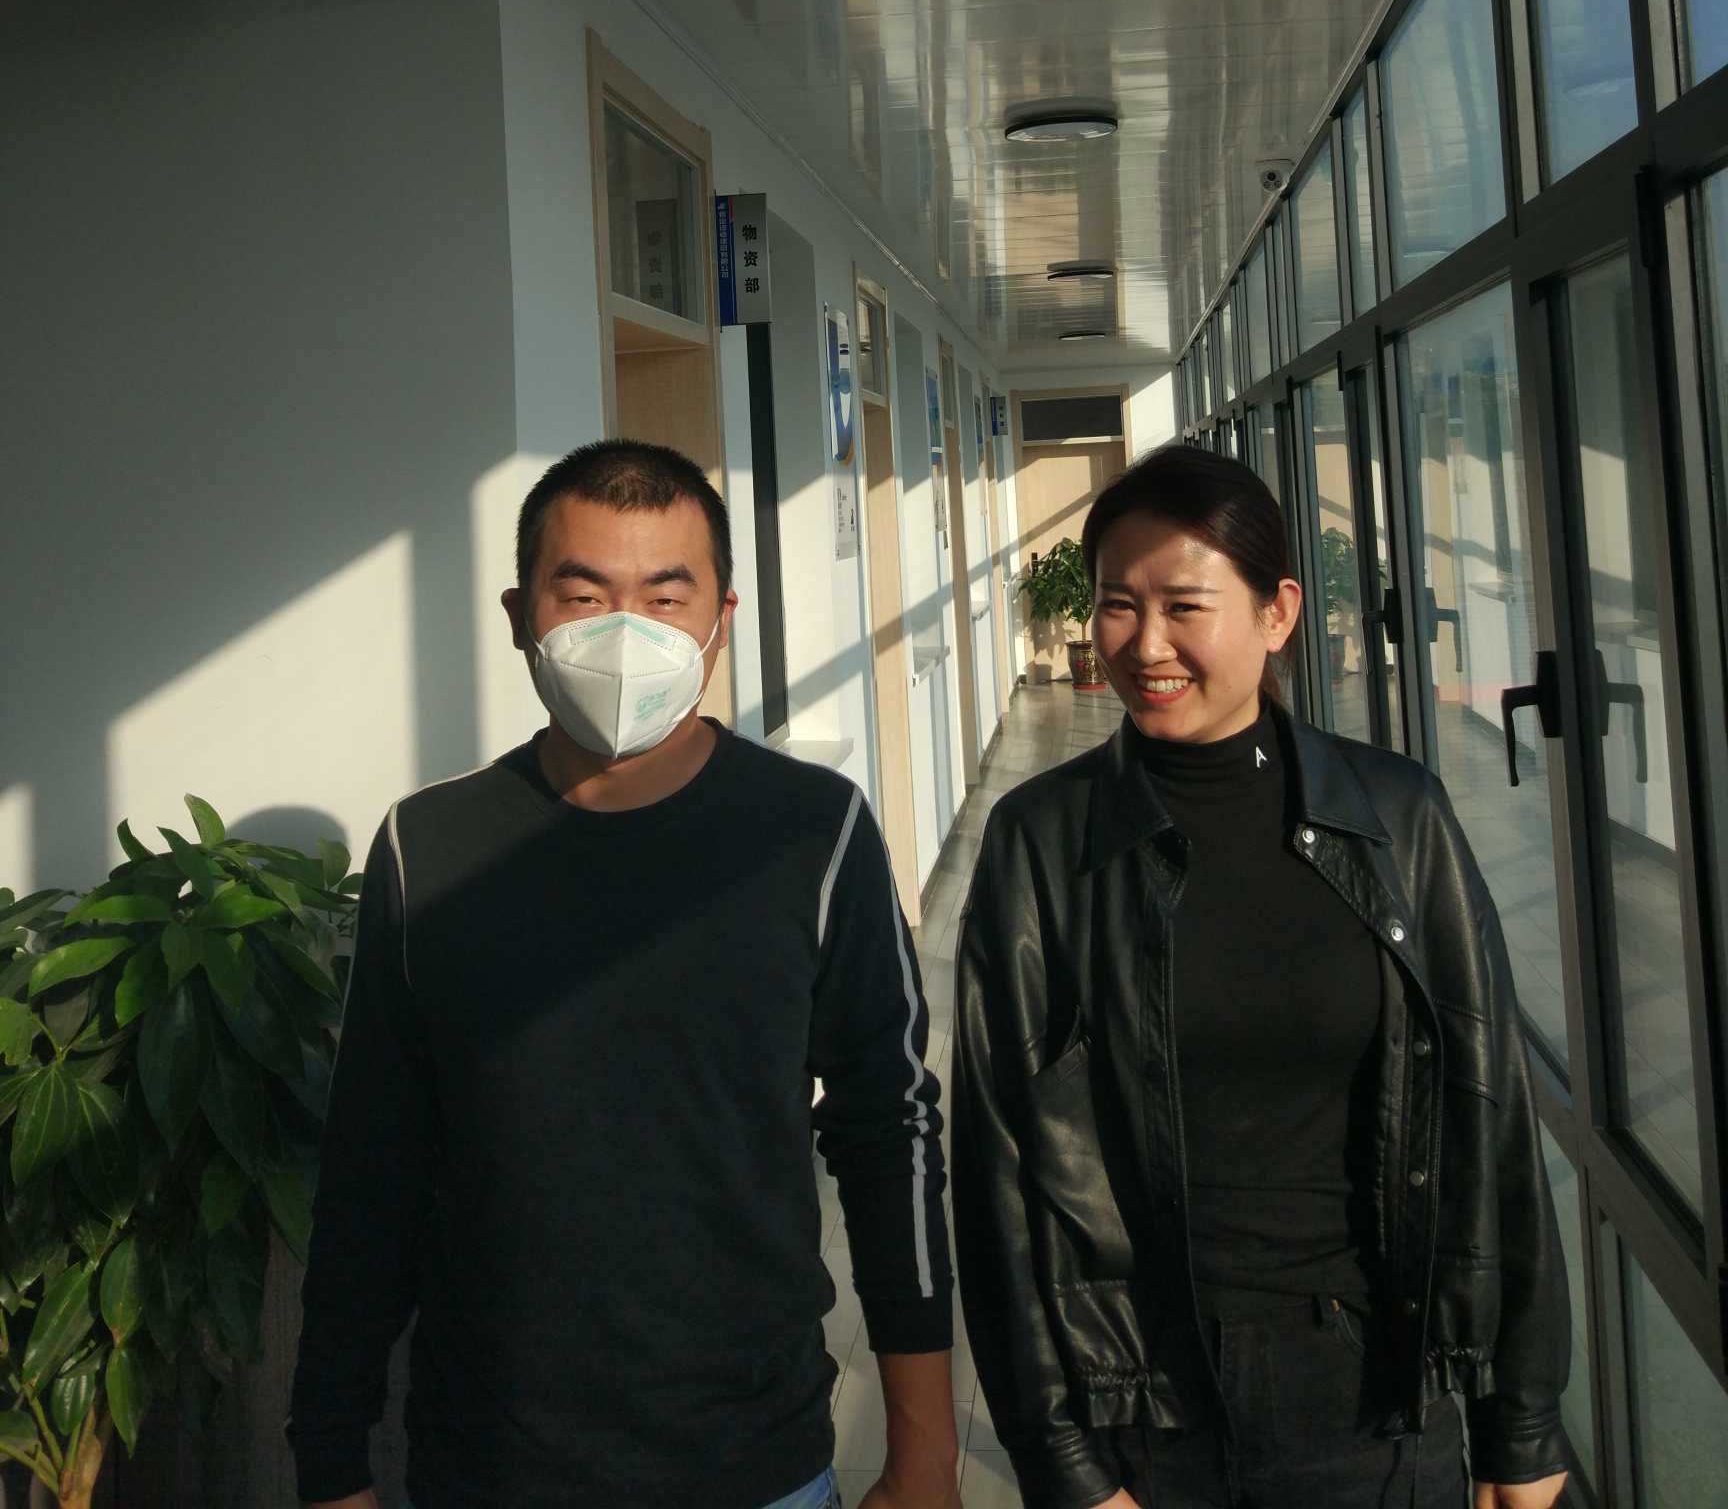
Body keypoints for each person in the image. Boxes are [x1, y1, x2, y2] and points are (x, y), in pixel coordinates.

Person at [289, 438, 960, 1509]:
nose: (624, 633)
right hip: (487, 1464)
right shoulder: (430, 848)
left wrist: (925, 1453)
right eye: (585, 595)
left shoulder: (810, 832)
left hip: (755, 1462)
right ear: (520, 616)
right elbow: (375, 1163)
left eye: (664, 596)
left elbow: (890, 1131)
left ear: (720, 621)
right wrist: (330, 1461)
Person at [952, 445, 1571, 1509]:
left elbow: (1488, 1110)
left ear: (1277, 613)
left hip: (1377, 1397)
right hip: (1142, 1403)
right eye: (1117, 605)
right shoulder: (1042, 841)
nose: (1146, 644)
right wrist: (1060, 1460)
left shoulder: (1396, 817)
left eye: (1184, 607)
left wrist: (1522, 1421)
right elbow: (997, 1161)